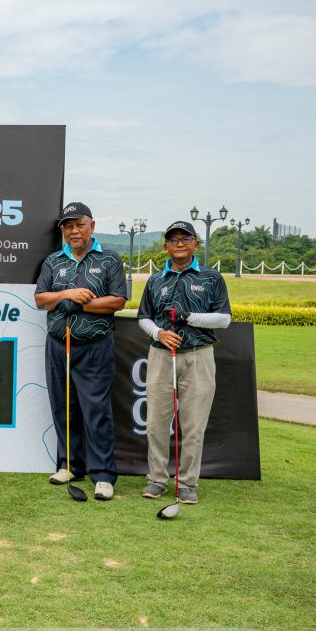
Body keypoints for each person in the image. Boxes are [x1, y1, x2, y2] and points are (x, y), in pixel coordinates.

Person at [35, 202, 126, 500]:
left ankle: (103, 475)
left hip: (94, 346)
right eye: (68, 226)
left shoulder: (109, 259)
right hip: (58, 344)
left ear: (92, 226)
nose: (74, 231)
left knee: (96, 410)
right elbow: (41, 299)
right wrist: (67, 293)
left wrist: (81, 305)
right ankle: (70, 465)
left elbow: (117, 301)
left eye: (79, 225)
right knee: (63, 407)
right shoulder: (53, 261)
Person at [137, 220, 232, 504]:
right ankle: (156, 479)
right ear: (166, 246)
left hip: (198, 355)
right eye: (173, 239)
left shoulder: (211, 278)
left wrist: (189, 318)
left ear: (195, 244)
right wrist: (159, 333)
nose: (179, 243)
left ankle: (188, 483)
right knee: (155, 423)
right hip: (161, 355)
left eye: (185, 238)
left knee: (193, 425)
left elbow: (224, 319)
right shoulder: (155, 280)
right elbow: (143, 317)